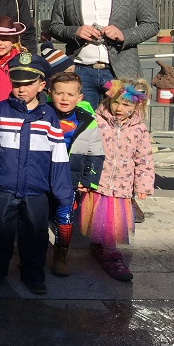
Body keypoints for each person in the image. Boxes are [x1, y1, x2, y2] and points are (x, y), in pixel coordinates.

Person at [0, 53, 73, 295]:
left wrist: (62, 191)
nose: (21, 89)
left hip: (36, 188)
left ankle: (33, 274)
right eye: (17, 83)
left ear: (41, 85)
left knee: (36, 234)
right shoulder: (0, 110)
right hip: (4, 185)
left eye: (28, 84)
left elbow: (58, 155)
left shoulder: (48, 116)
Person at [49, 0, 159, 109]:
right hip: (80, 72)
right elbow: (55, 27)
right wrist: (75, 32)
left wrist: (124, 34)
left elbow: (152, 25)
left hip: (120, 73)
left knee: (121, 129)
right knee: (82, 130)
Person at [80, 78, 153, 281]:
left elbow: (144, 157)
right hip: (99, 182)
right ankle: (102, 248)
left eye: (126, 105)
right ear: (109, 100)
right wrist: (83, 177)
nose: (120, 108)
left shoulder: (139, 129)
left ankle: (110, 253)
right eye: (116, 103)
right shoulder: (97, 122)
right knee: (99, 220)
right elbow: (85, 150)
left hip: (121, 185)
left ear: (137, 106)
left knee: (111, 224)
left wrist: (143, 184)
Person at [47, 71, 104, 276]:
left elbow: (96, 153)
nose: (64, 98)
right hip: (41, 176)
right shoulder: (42, 114)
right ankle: (33, 254)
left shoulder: (87, 122)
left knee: (64, 217)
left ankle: (61, 254)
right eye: (59, 93)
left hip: (69, 180)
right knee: (36, 217)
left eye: (70, 95)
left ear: (80, 98)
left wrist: (89, 179)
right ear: (49, 93)